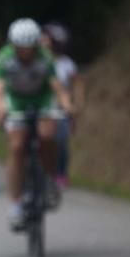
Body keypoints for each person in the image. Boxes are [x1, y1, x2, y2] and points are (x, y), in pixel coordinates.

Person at [0, 18, 75, 230]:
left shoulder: (45, 58)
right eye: (21, 48)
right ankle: (16, 204)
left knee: (48, 136)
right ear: (13, 45)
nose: (26, 53)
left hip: (41, 99)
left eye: (30, 48)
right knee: (17, 146)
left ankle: (49, 180)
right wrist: (0, 108)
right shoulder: (3, 58)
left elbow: (56, 86)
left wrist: (66, 105)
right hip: (16, 100)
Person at [42, 22, 85, 187]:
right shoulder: (39, 61)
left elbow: (77, 84)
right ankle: (45, 172)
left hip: (61, 108)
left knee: (61, 142)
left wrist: (77, 105)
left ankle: (61, 173)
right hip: (44, 107)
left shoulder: (67, 63)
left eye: (47, 39)